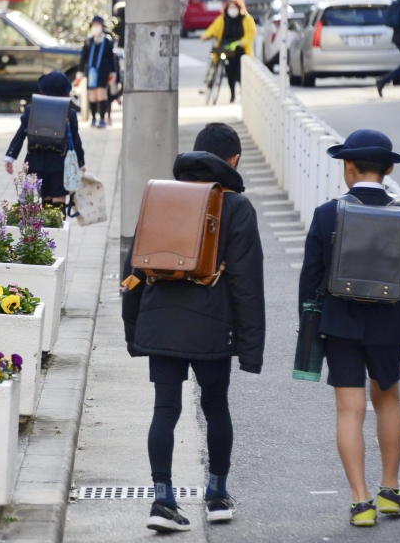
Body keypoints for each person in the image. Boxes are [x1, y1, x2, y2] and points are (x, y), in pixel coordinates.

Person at [122, 122, 265, 532]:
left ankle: (162, 500)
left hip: (160, 321)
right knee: (215, 405)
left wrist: (135, 331)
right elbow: (246, 285)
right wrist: (250, 350)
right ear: (233, 160)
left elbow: (134, 267)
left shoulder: (161, 195)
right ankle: (217, 494)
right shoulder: (236, 207)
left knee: (165, 409)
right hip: (212, 326)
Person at [298, 129, 400, 527]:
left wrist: (308, 331)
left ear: (348, 168)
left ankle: (360, 502)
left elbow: (310, 280)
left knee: (349, 409)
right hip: (390, 323)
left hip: (340, 323)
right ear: (389, 169)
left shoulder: (327, 215)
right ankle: (390, 490)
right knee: (387, 399)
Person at [5, 71, 86, 207]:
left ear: (42, 90)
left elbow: (20, 134)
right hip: (60, 164)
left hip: (35, 162)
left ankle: (46, 227)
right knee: (59, 198)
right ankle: (58, 225)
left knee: (44, 198)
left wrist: (10, 156)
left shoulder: (32, 109)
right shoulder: (69, 112)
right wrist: (81, 162)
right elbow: (76, 140)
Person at [200, 0, 255, 103]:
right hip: (225, 49)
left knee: (239, 73)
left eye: (235, 7)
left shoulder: (247, 19)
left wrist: (240, 42)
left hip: (240, 50)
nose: (232, 10)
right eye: (230, 7)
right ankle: (214, 83)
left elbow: (251, 34)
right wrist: (206, 35)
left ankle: (244, 92)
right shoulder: (223, 18)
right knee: (228, 70)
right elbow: (214, 29)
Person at [77, 15, 116, 128]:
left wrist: (112, 72)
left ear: (102, 27)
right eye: (94, 25)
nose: (96, 28)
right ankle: (93, 118)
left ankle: (102, 119)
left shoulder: (107, 42)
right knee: (92, 96)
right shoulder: (88, 42)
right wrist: (80, 71)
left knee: (101, 94)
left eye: (98, 25)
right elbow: (83, 58)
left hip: (103, 72)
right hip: (91, 71)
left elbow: (111, 58)